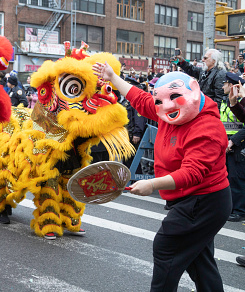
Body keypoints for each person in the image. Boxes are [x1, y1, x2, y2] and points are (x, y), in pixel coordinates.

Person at [93, 62, 231, 291]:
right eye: (160, 100)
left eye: (174, 97)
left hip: (204, 200)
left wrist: (152, 184)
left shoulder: (208, 127)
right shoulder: (166, 110)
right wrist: (113, 78)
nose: (165, 106)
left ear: (194, 90)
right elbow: (142, 100)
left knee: (166, 247)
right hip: (191, 198)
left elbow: (193, 173)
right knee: (200, 262)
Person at [221, 72, 245, 223]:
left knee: (238, 178)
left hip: (239, 142)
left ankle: (239, 210)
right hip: (228, 141)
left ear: (232, 85)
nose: (222, 86)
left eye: (225, 83)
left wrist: (234, 141)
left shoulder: (242, 99)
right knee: (230, 176)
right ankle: (232, 207)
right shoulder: (229, 100)